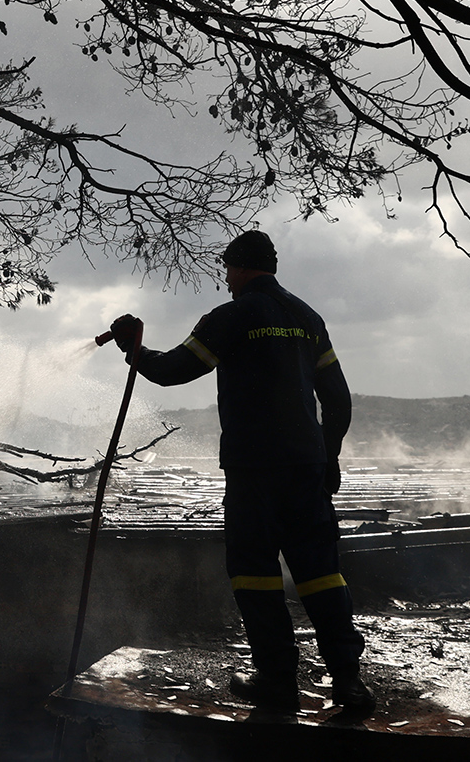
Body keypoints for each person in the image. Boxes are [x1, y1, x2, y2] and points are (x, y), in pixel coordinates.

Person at [108, 230, 373, 717]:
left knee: (254, 574)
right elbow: (337, 399)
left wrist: (134, 350)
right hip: (306, 467)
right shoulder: (307, 317)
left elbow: (172, 371)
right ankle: (349, 682)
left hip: (254, 470)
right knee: (322, 573)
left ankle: (275, 679)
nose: (226, 280)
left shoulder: (231, 317)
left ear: (238, 268)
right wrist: (328, 454)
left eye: (227, 270)